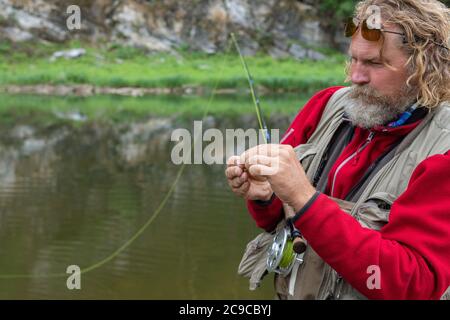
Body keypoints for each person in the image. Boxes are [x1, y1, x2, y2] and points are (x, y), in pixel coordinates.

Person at [225, 0, 450, 300]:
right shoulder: (325, 104)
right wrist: (266, 196)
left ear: (424, 66)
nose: (355, 76)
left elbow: (413, 285)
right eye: (354, 59)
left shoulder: (443, 150)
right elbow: (273, 220)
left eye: (374, 63)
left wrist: (304, 198)